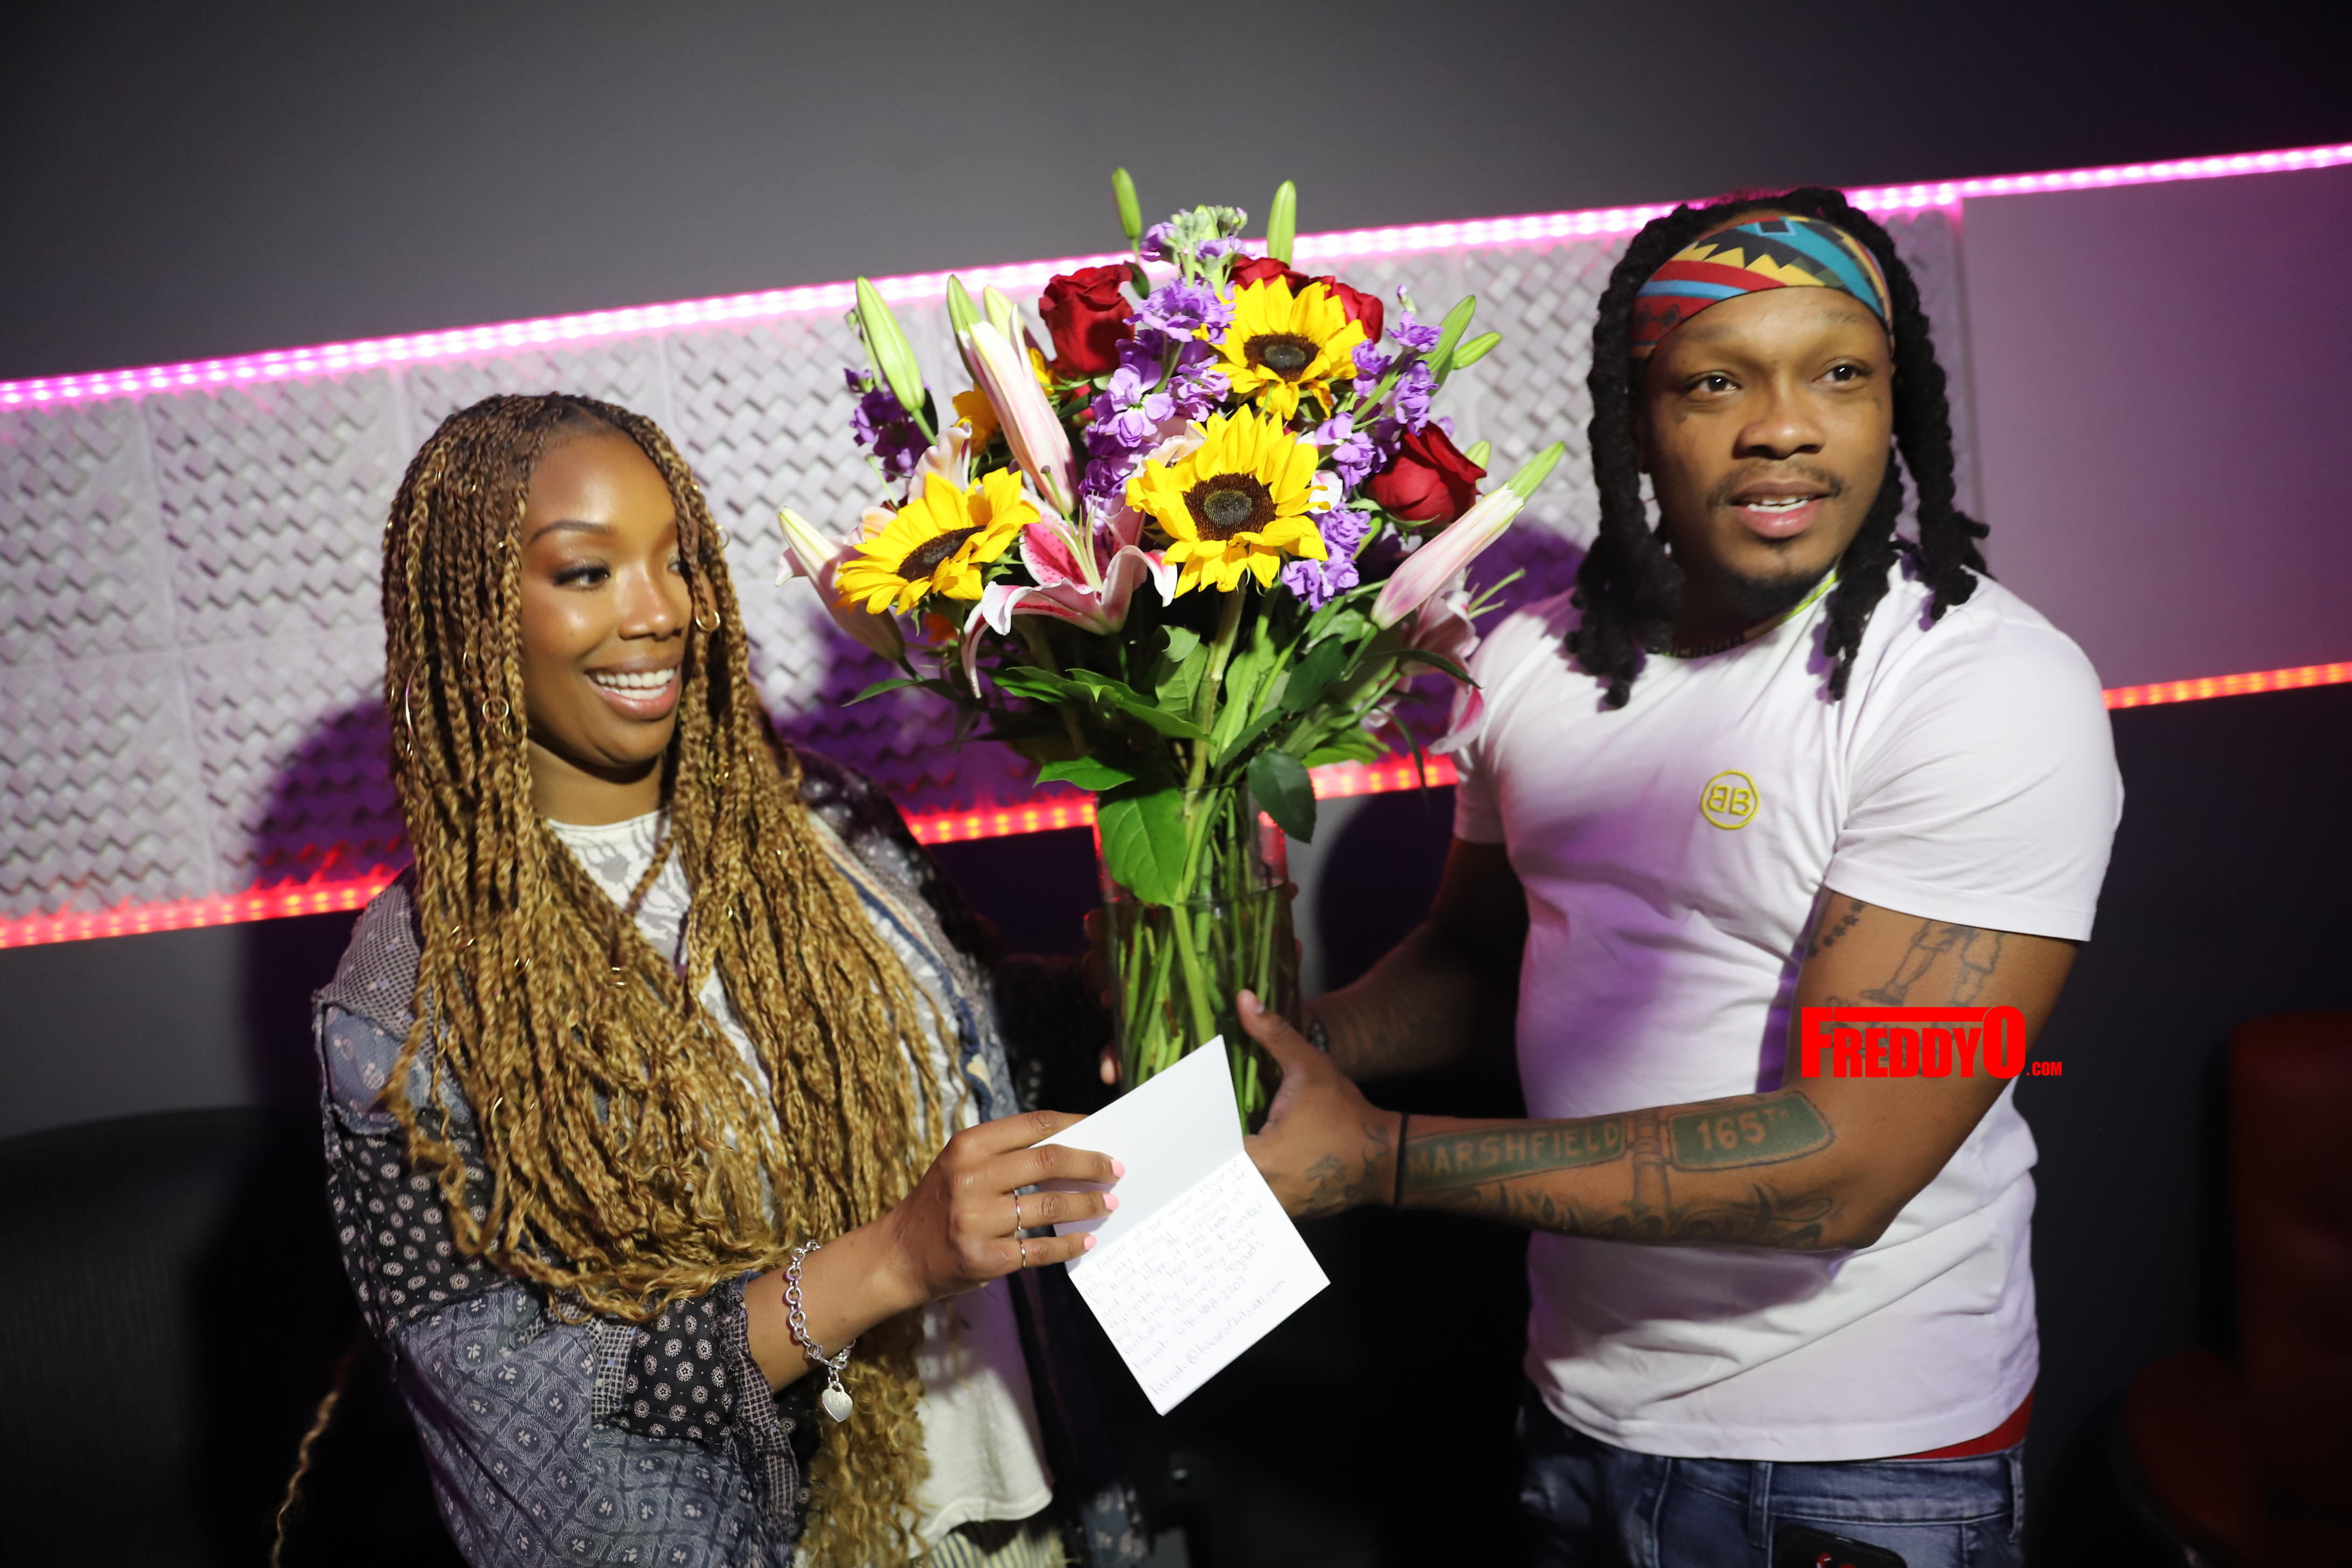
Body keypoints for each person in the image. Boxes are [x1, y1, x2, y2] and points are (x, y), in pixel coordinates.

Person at [1240, 190, 2122, 1566]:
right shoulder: (1533, 660)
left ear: (1895, 404)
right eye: (1717, 383)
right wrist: (1286, 1048)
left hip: (1854, 1463)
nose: (1785, 426)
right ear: (1638, 420)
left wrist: (1383, 1160)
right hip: (1575, 1413)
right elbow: (1477, 960)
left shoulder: (1983, 689)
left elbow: (1846, 1163)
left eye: (1841, 373)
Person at [311, 393, 1142, 1568]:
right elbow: (528, 1404)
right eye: (588, 573)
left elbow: (967, 1046)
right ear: (471, 616)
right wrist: (895, 1259)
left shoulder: (826, 816)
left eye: (679, 559)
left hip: (1037, 1519)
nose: (660, 610)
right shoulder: (409, 999)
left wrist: (1104, 994)